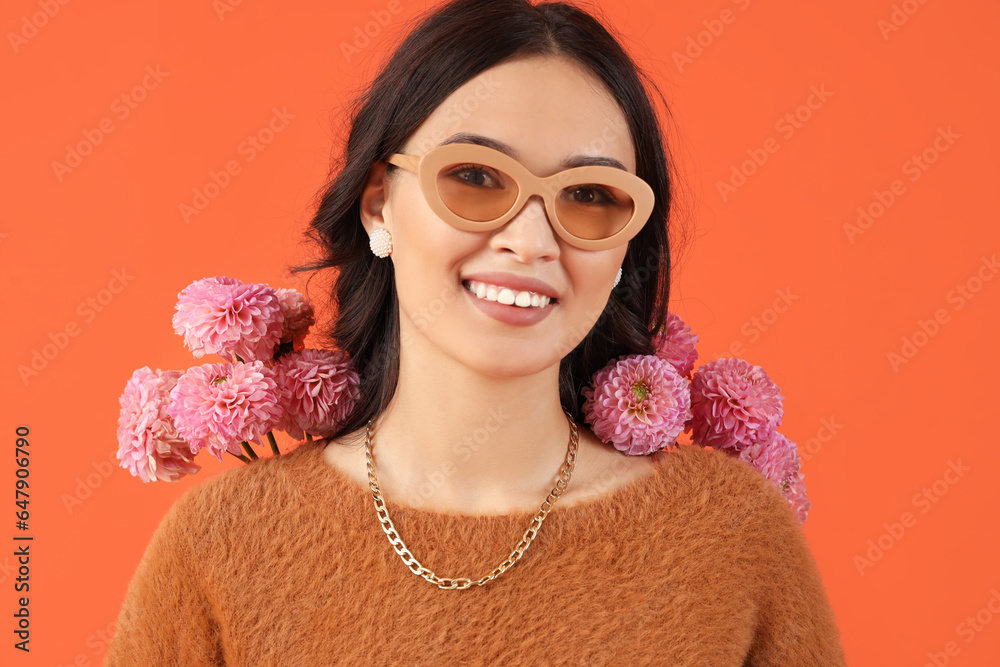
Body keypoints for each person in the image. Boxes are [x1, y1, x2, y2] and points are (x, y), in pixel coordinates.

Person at [105, 0, 847, 664]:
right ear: (378, 207)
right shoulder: (225, 546)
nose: (531, 239)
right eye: (475, 177)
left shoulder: (730, 538)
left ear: (626, 247)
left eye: (589, 196)